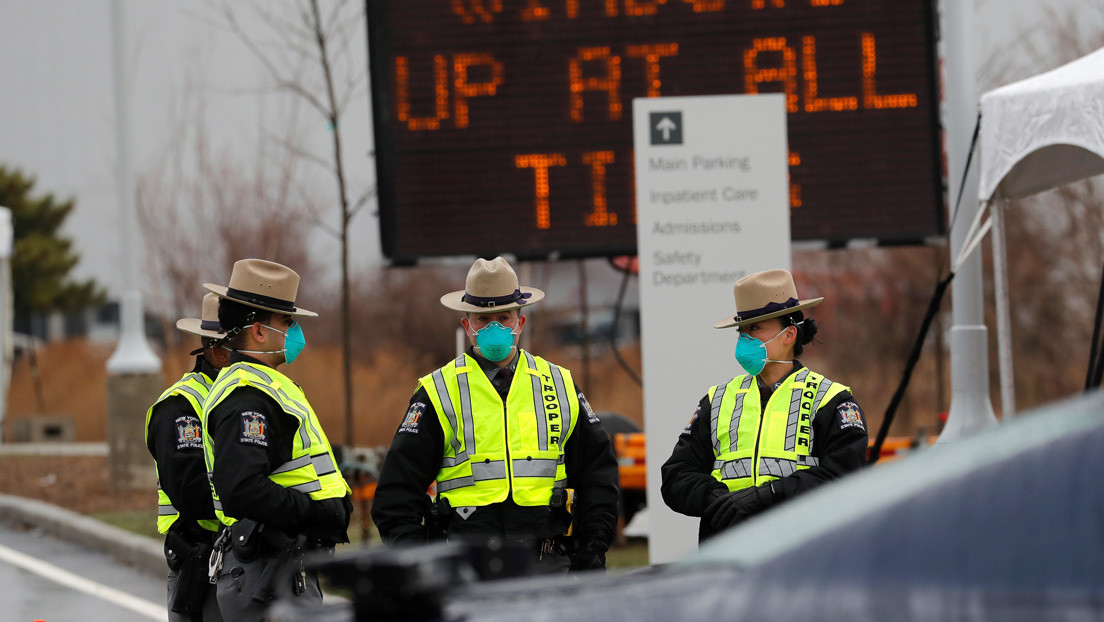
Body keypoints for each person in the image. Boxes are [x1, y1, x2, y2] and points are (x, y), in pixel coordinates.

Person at [372, 256, 620, 573]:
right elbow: (396, 494)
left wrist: (592, 551)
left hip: (548, 568)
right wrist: (424, 566)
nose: (494, 328)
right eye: (482, 319)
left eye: (504, 318)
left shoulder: (558, 385)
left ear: (521, 322)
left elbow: (598, 475)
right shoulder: (439, 392)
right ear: (466, 325)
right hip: (468, 573)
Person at [661, 269, 868, 542]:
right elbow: (676, 475)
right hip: (729, 556)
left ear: (789, 334)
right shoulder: (718, 399)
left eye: (754, 328)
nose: (744, 339)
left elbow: (844, 479)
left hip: (800, 556)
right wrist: (714, 496)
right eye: (741, 330)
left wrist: (768, 495)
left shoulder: (832, 400)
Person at [200, 258, 352, 621]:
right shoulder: (246, 398)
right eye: (288, 322)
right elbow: (241, 487)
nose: (295, 332)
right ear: (258, 331)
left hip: (279, 569)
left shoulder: (265, 387)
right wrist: (314, 513)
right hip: (266, 574)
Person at [145, 293, 230, 621]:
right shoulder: (181, 406)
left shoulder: (241, 397)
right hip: (204, 560)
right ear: (219, 351)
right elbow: (190, 491)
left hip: (239, 562)